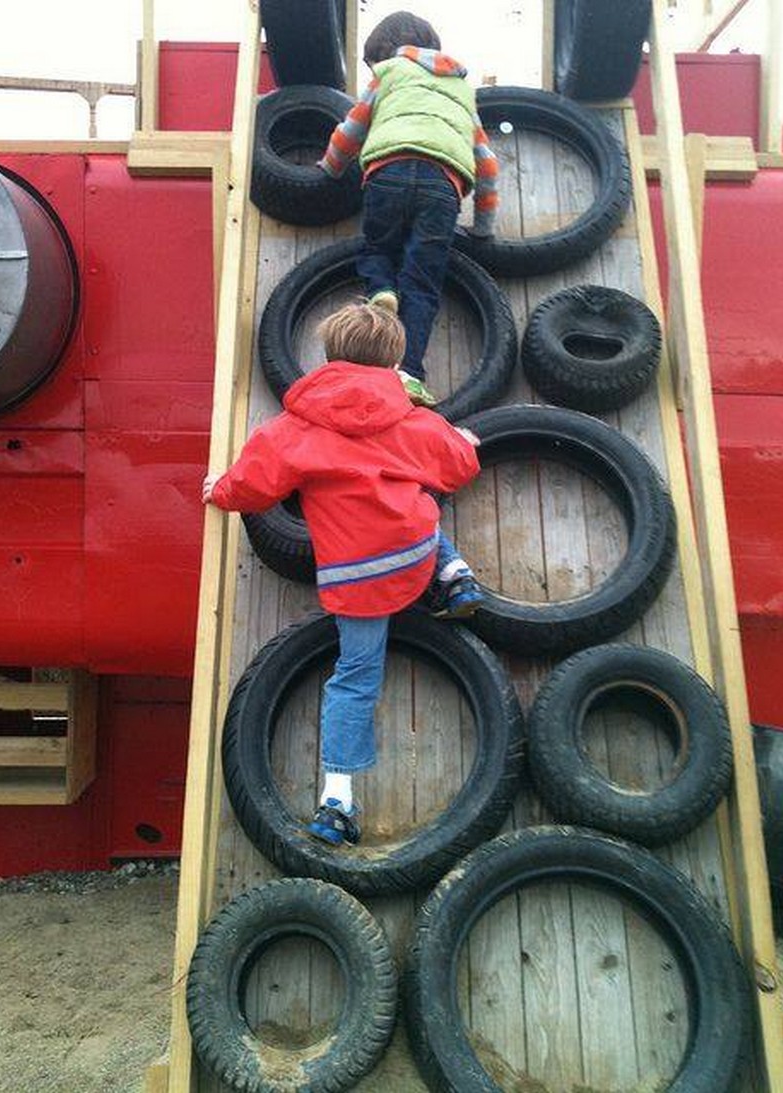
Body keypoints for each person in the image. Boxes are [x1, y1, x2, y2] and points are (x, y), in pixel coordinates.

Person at [202, 302, 483, 847]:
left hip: (355, 575)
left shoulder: (294, 428)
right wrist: (465, 443)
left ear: (328, 355)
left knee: (355, 679)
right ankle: (455, 574)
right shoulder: (412, 416)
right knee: (418, 498)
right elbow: (458, 465)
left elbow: (255, 486)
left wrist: (220, 490)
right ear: (394, 360)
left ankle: (337, 801)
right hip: (412, 550)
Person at [318, 10, 499, 406]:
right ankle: (409, 374)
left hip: (390, 169)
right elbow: (487, 163)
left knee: (378, 247)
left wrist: (330, 167)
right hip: (444, 185)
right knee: (423, 281)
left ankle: (382, 288)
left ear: (383, 53)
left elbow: (352, 128)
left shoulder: (388, 73)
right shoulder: (463, 91)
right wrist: (483, 226)